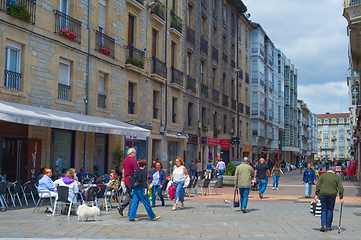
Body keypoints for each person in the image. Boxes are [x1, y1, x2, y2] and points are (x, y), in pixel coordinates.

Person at [117, 148, 138, 217]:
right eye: (135, 152)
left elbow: (123, 171)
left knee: (130, 195)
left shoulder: (124, 160)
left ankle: (121, 207)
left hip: (126, 180)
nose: (136, 154)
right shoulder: (133, 160)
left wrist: (123, 180)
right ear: (131, 153)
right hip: (131, 180)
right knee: (133, 196)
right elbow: (136, 171)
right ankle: (130, 213)